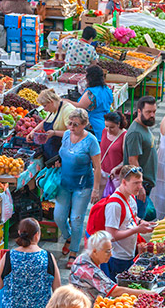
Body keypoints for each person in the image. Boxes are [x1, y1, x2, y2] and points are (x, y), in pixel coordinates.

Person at [54, 108, 103, 266]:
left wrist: (96, 189)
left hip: (83, 185)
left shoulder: (91, 141)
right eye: (70, 123)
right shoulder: (67, 135)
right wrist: (59, 162)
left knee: (76, 219)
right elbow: (64, 153)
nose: (71, 127)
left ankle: (74, 249)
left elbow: (97, 167)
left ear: (84, 125)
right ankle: (69, 236)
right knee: (59, 216)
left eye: (75, 124)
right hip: (64, 183)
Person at [88, 167, 154, 276]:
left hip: (129, 254)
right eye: (136, 183)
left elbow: (131, 218)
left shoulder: (131, 197)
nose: (140, 187)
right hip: (117, 258)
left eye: (141, 182)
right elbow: (111, 235)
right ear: (124, 182)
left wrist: (141, 222)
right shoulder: (115, 205)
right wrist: (136, 230)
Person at [123, 97, 158, 221]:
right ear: (139, 111)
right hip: (139, 185)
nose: (152, 115)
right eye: (148, 112)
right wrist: (140, 185)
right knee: (137, 220)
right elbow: (133, 160)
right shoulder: (135, 133)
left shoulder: (144, 126)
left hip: (145, 183)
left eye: (154, 111)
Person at [69, 231, 117, 298]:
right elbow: (113, 290)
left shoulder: (83, 257)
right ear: (95, 251)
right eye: (107, 251)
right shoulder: (89, 269)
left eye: (111, 250)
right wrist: (137, 292)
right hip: (86, 306)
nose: (111, 254)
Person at [32, 88, 74, 160]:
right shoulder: (53, 109)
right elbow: (45, 121)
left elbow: (73, 133)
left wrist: (54, 133)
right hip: (51, 151)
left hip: (62, 153)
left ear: (51, 102)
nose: (44, 109)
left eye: (44, 106)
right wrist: (33, 131)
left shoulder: (68, 110)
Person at [74, 65, 114, 134]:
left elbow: (80, 106)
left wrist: (65, 101)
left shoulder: (91, 93)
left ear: (90, 78)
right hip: (106, 122)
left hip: (95, 126)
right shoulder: (107, 89)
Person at [99, 111, 127, 195]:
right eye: (106, 126)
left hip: (115, 176)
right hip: (102, 172)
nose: (108, 130)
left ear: (118, 124)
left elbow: (126, 158)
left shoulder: (124, 135)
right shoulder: (104, 131)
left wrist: (117, 168)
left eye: (112, 127)